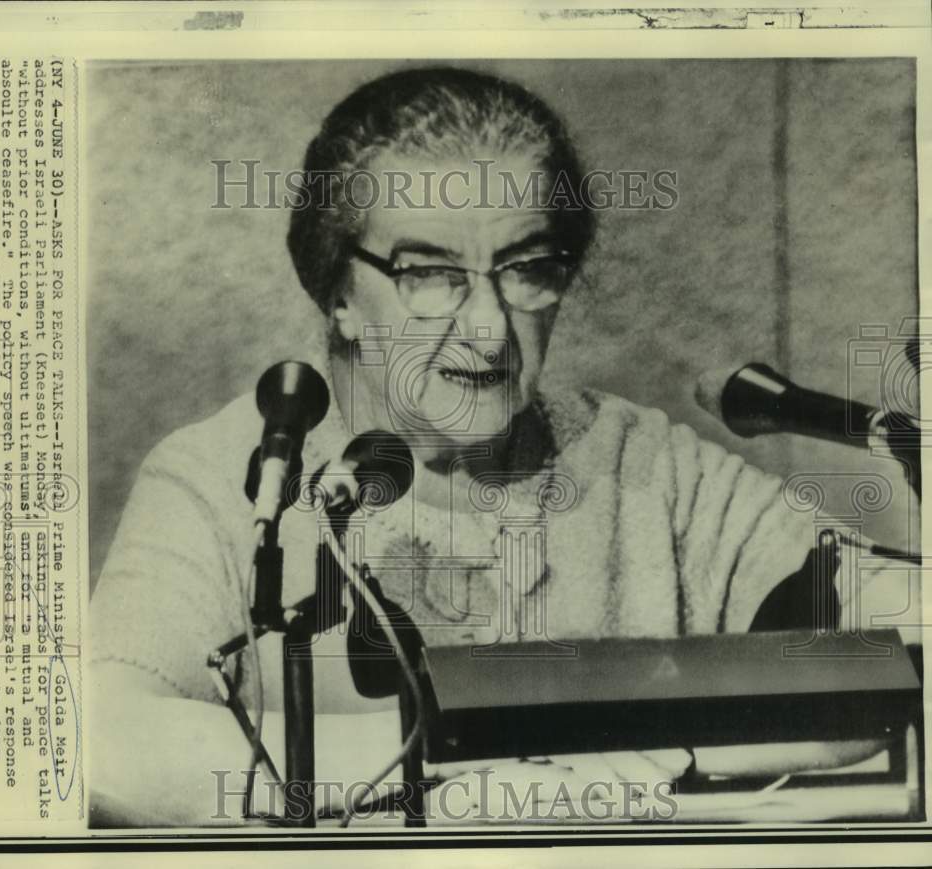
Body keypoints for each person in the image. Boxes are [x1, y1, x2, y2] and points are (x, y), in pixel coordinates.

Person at [90, 66, 905, 827]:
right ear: (338, 288)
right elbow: (101, 740)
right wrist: (464, 772)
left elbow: (885, 656)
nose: (486, 329)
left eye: (526, 269)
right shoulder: (241, 478)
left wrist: (637, 760)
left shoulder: (646, 467)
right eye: (431, 273)